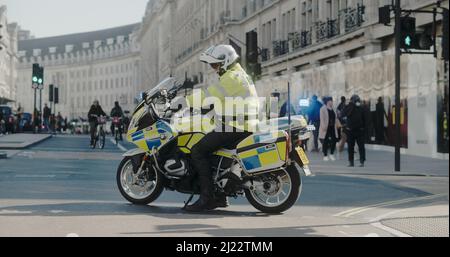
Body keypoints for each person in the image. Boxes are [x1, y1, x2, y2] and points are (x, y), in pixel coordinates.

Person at [183, 45, 259, 212]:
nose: (214, 68)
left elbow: (207, 96)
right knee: (212, 151)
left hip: (236, 126)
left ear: (225, 61)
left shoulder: (231, 78)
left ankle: (207, 198)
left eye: (215, 64)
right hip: (242, 124)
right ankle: (220, 197)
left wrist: (182, 102)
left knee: (197, 151)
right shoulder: (239, 75)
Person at [342, 95, 367, 167]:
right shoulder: (349, 107)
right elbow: (343, 114)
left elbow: (365, 118)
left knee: (360, 147)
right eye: (356, 100)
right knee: (351, 147)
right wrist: (350, 105)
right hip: (350, 130)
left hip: (359, 130)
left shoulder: (361, 108)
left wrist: (364, 128)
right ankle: (351, 161)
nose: (357, 102)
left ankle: (361, 161)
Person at [319, 97, 341, 161]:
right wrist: (323, 127)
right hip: (325, 127)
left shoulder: (333, 109)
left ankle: (331, 154)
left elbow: (336, 118)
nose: (332, 102)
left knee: (334, 140)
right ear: (328, 102)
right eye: (331, 101)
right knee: (325, 141)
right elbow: (322, 119)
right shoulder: (322, 109)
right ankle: (325, 155)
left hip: (333, 127)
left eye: (332, 101)